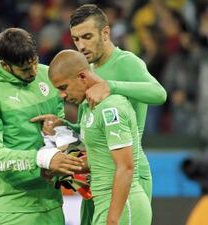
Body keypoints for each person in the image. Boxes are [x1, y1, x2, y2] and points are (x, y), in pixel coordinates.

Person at [32, 4, 167, 225]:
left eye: (87, 36)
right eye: (76, 39)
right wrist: (64, 125)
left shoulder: (126, 62)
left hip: (128, 173)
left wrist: (111, 86)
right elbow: (94, 126)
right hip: (99, 174)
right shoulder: (87, 70)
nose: (81, 45)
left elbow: (159, 94)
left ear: (105, 33)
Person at [0, 27, 84, 225]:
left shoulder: (48, 76)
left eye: (35, 63)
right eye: (25, 69)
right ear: (5, 65)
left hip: (52, 205)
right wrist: (43, 159)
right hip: (10, 211)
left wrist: (63, 131)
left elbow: (61, 133)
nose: (33, 72)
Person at [50, 49, 152, 225]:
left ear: (82, 77)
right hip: (105, 203)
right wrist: (63, 166)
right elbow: (100, 158)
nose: (62, 95)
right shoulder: (92, 107)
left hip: (122, 206)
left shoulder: (110, 108)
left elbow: (126, 167)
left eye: (63, 87)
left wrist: (112, 219)